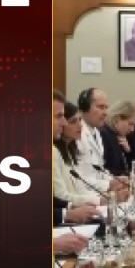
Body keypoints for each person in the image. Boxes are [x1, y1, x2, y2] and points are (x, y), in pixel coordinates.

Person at [56, 101, 127, 205]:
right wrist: (104, 196)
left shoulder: (69, 149)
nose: (80, 125)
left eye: (80, 120)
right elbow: (61, 195)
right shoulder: (55, 152)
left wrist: (108, 193)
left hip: (85, 200)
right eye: (73, 121)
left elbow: (80, 187)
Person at [52, 90, 97, 229]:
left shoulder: (64, 150)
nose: (64, 123)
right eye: (59, 116)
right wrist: (67, 213)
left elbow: (77, 187)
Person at [74, 87, 128, 194]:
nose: (105, 113)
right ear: (85, 108)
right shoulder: (76, 134)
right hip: (86, 195)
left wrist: (115, 180)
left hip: (100, 191)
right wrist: (108, 185)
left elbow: (99, 170)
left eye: (106, 107)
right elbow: (79, 178)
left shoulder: (97, 132)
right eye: (100, 107)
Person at [100, 100, 135, 176]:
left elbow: (127, 166)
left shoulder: (118, 135)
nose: (132, 129)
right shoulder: (104, 135)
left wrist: (128, 152)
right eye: (130, 124)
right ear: (117, 118)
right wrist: (129, 173)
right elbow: (107, 169)